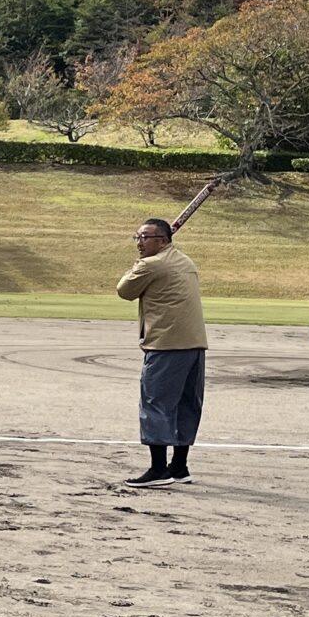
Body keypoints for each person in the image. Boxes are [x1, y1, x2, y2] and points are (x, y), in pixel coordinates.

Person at [114, 207, 209, 487]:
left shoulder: (151, 264)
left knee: (155, 403)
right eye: (137, 237)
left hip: (166, 344)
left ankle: (158, 470)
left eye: (145, 237)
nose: (139, 243)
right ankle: (179, 466)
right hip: (194, 344)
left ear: (163, 240)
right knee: (186, 405)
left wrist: (140, 262)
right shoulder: (184, 260)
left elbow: (124, 290)